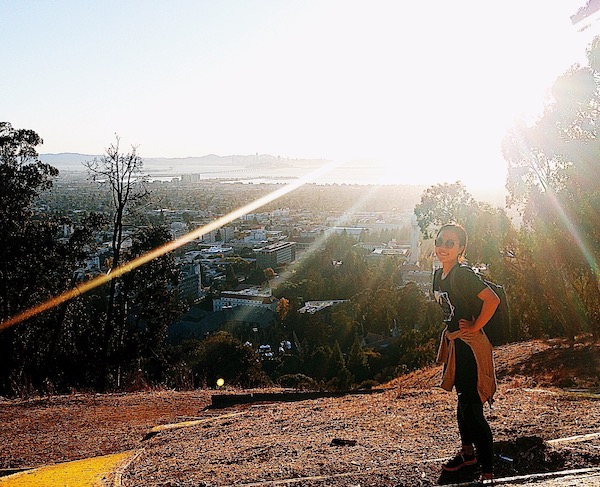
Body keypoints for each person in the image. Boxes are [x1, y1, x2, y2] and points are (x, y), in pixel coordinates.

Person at [433, 223, 500, 483]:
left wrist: (475, 326)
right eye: (441, 240)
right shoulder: (439, 274)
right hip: (457, 345)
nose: (444, 247)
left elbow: (492, 299)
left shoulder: (462, 274)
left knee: (473, 407)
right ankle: (467, 454)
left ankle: (487, 472)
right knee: (462, 401)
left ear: (461, 248)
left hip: (471, 346)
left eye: (451, 243)